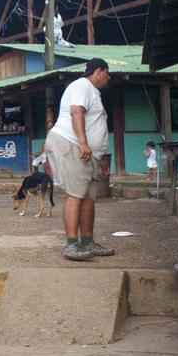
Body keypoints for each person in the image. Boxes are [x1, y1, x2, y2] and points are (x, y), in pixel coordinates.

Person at [44, 58, 113, 261]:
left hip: (87, 152)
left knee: (89, 197)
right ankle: (72, 245)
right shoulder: (81, 85)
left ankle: (88, 241)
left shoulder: (93, 92)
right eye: (107, 73)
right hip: (71, 144)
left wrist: (100, 157)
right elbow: (76, 112)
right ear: (99, 71)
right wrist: (83, 142)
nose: (108, 78)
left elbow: (94, 124)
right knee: (76, 194)